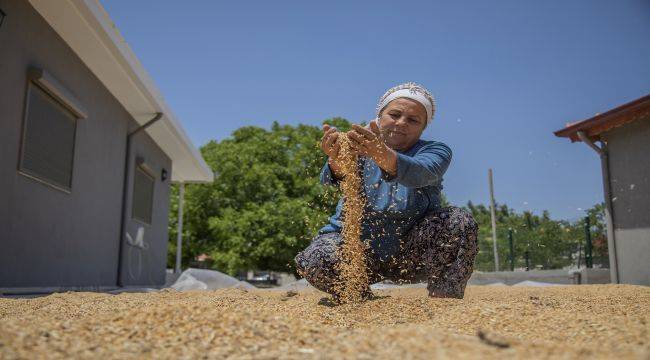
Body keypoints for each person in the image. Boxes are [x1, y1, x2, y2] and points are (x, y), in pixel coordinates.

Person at [294, 82, 478, 299]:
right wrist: (337, 158)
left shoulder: (435, 150)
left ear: (423, 127)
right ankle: (357, 298)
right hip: (357, 252)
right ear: (379, 116)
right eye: (395, 114)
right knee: (317, 256)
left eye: (413, 120)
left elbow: (421, 172)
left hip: (412, 253)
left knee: (458, 221)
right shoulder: (356, 145)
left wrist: (381, 153)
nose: (401, 123)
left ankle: (444, 301)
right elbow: (334, 176)